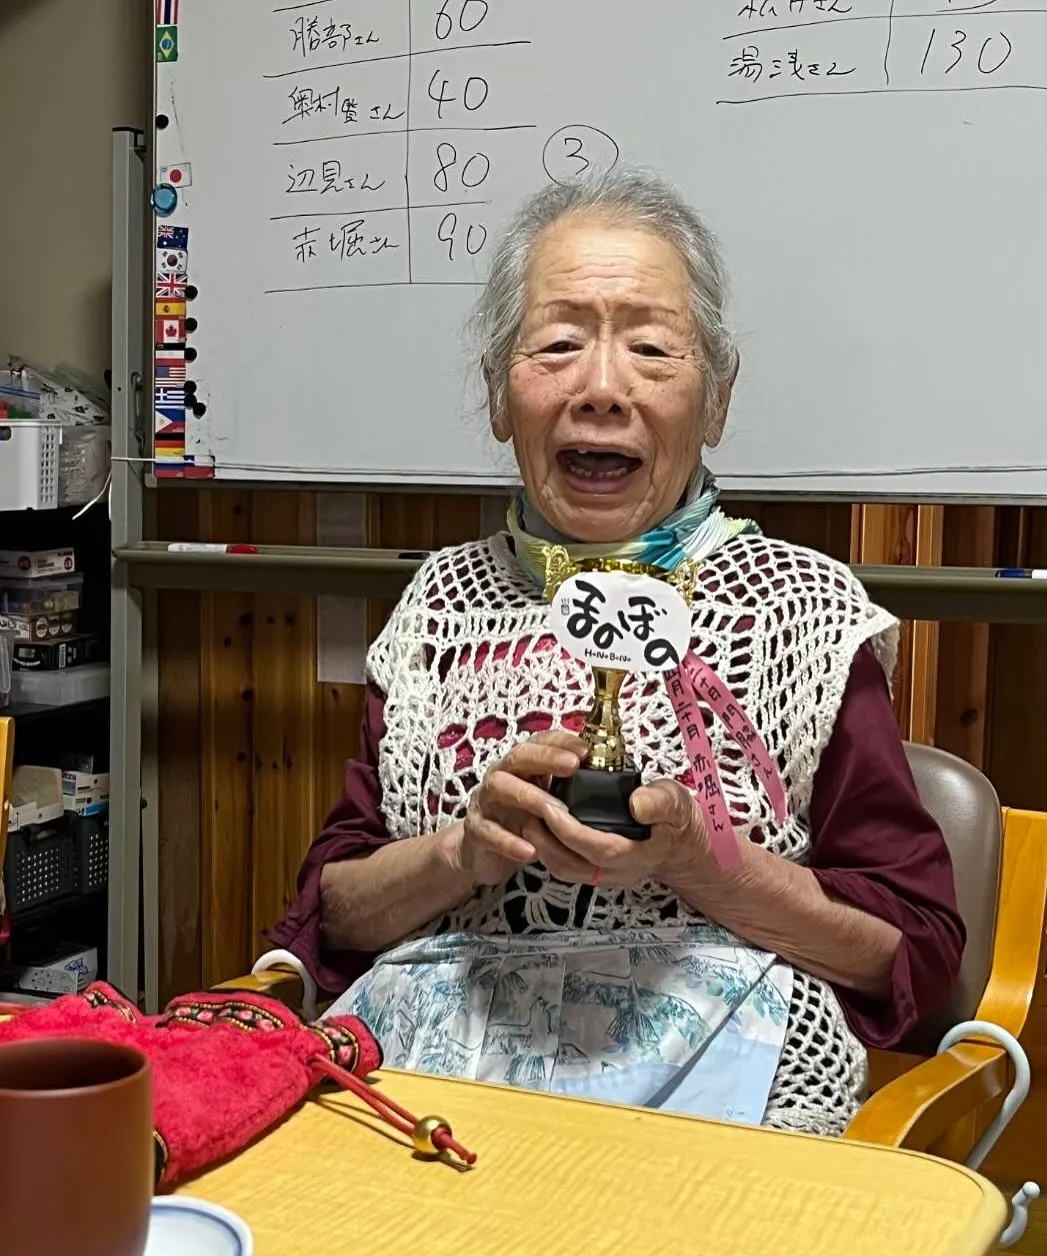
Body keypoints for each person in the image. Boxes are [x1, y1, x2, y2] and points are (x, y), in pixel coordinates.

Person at [270, 169, 964, 1136]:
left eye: (650, 348)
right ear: (499, 399)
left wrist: (697, 861)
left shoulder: (798, 611)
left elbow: (910, 950)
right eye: (557, 345)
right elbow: (334, 911)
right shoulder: (438, 610)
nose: (601, 388)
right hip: (447, 1095)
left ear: (715, 402)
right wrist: (464, 852)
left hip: (723, 1105)